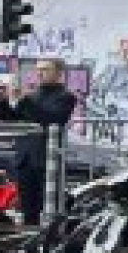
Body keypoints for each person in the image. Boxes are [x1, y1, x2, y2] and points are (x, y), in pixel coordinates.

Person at [11, 60, 79, 226]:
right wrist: (2, 102)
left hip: (46, 159)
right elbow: (12, 118)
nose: (40, 73)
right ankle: (28, 245)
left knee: (48, 208)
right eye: (39, 70)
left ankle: (46, 245)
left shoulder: (66, 97)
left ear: (58, 73)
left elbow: (52, 119)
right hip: (25, 157)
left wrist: (26, 101)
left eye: (46, 69)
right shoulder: (32, 96)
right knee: (27, 208)